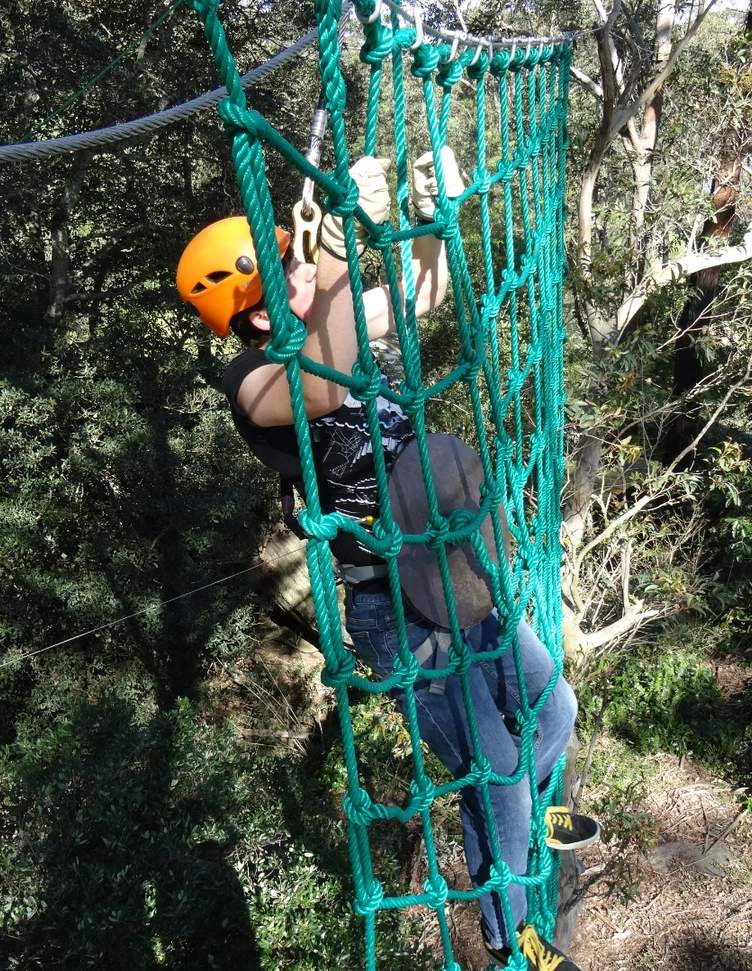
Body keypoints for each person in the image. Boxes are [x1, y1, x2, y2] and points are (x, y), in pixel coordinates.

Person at [176, 148, 600, 970]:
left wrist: (428, 219)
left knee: (552, 715)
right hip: (389, 606)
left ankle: (523, 821)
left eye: (300, 257)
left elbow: (419, 292)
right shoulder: (253, 380)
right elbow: (324, 385)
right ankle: (515, 939)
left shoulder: (329, 310)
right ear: (258, 315)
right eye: (288, 268)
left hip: (452, 566)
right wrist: (334, 254)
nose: (303, 267)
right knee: (496, 763)